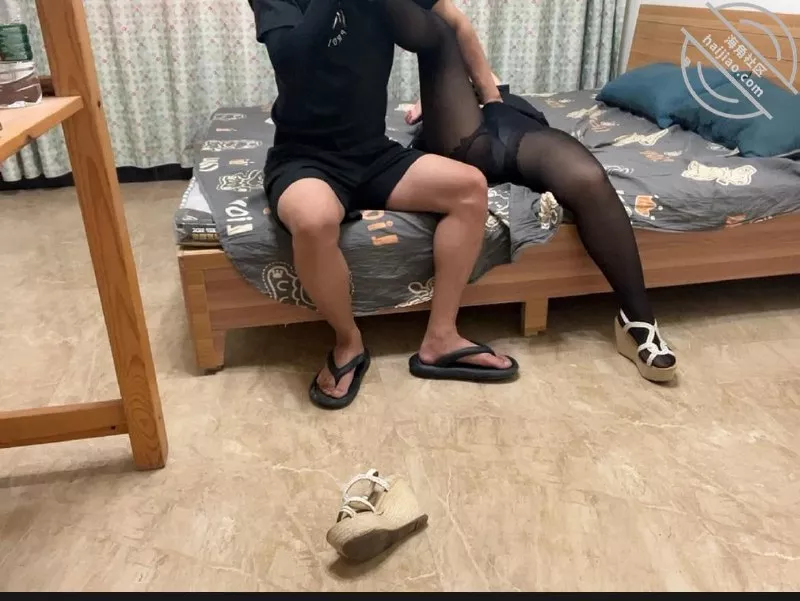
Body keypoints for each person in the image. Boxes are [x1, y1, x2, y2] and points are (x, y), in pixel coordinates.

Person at [371, 0, 677, 383]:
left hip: (515, 128)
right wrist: (432, 103)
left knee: (587, 176)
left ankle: (638, 321)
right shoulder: (444, 92)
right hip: (465, 139)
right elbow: (451, 44)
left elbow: (472, 50)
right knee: (442, 33)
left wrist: (492, 96)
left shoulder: (506, 94)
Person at [247, 0, 519, 410]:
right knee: (314, 219)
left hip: (372, 152)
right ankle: (348, 342)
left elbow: (441, 26)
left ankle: (441, 338)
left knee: (469, 187)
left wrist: (490, 93)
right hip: (305, 157)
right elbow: (293, 61)